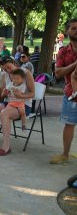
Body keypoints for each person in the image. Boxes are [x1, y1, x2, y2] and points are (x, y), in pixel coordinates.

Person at [0, 56, 34, 156]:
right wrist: (4, 93)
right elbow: (2, 96)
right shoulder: (4, 75)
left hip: (23, 104)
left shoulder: (25, 73)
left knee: (4, 113)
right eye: (4, 69)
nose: (8, 71)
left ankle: (6, 146)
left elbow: (33, 94)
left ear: (14, 63)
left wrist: (21, 95)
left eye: (9, 67)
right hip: (9, 102)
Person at [50, 19, 77, 164]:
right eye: (73, 28)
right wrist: (75, 64)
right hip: (71, 95)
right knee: (69, 125)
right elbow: (58, 73)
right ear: (67, 31)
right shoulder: (63, 52)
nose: (76, 30)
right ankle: (65, 155)